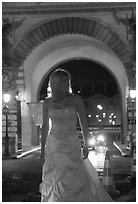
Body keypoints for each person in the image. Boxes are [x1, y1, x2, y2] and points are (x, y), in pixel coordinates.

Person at [39, 68, 113, 202]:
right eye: (64, 81)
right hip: (54, 144)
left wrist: (86, 144)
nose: (67, 83)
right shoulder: (47, 102)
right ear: (55, 83)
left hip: (71, 143)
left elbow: (84, 124)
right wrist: (42, 148)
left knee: (75, 176)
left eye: (68, 81)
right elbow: (45, 126)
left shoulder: (76, 99)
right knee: (56, 177)